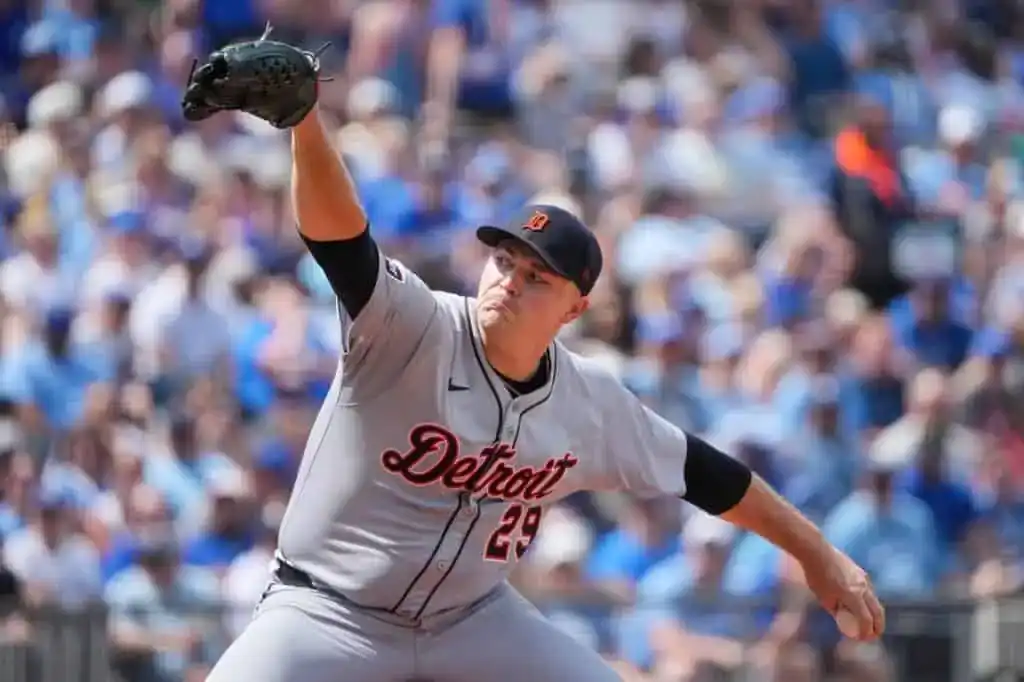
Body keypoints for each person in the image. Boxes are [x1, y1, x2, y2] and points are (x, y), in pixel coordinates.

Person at [182, 41, 884, 682]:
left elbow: (709, 474)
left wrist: (816, 552)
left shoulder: (589, 402)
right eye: (504, 261)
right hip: (327, 610)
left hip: (474, 621)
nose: (510, 281)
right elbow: (343, 242)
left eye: (536, 277)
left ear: (574, 309)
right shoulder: (413, 326)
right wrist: (307, 124)